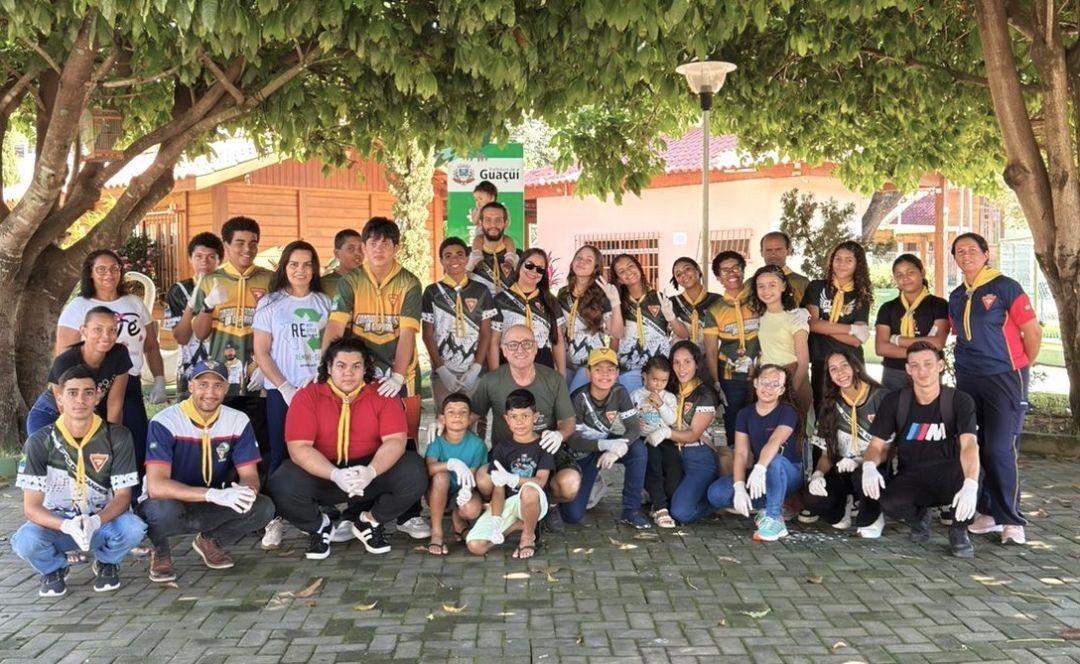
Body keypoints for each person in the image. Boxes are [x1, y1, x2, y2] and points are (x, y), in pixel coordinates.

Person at [269, 337, 427, 559]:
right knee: (281, 482)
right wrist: (335, 474)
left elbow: (395, 441)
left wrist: (370, 471)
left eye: (356, 366)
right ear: (328, 368)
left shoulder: (382, 392)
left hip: (369, 472)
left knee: (415, 470)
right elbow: (299, 448)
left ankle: (369, 521)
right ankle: (318, 527)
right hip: (324, 473)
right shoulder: (308, 394)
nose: (348, 373)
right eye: (341, 366)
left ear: (366, 368)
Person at [322, 217, 427, 538]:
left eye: (385, 243)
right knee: (363, 445)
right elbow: (336, 327)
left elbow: (408, 333)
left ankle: (408, 514)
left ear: (397, 247)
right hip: (360, 378)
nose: (379, 248)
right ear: (364, 247)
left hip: (402, 376)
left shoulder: (409, 281)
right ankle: (353, 515)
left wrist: (397, 375)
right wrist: (327, 369)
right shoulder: (350, 281)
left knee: (406, 443)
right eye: (372, 243)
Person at [11, 365, 146, 597]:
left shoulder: (118, 436)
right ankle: (54, 568)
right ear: (60, 399)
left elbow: (123, 497)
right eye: (72, 393)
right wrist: (65, 525)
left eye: (88, 392)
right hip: (58, 523)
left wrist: (96, 521)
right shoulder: (39, 442)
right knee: (25, 541)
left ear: (98, 397)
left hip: (101, 522)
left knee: (134, 528)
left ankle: (106, 561)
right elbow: (31, 508)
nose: (80, 399)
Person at [139, 360, 274, 582]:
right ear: (190, 386)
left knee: (262, 507)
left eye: (217, 385)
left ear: (226, 388)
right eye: (203, 384)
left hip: (213, 501)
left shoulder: (238, 420)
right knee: (161, 511)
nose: (210, 392)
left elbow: (249, 474)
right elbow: (157, 486)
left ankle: (210, 540)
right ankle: (161, 551)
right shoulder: (165, 421)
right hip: (171, 501)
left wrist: (245, 492)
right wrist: (213, 494)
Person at [948, 232, 1040, 545]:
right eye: (959, 251)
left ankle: (1011, 519)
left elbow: (1032, 331)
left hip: (1004, 377)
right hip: (968, 378)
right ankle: (987, 513)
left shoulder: (1005, 286)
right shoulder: (958, 294)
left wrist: (1021, 364)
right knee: (976, 443)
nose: (966, 255)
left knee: (1000, 448)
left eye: (972, 249)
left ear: (986, 254)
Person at [862, 341, 981, 557]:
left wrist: (971, 484)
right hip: (912, 474)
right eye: (915, 365)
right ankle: (919, 515)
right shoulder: (895, 401)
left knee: (976, 476)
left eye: (928, 363)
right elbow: (876, 445)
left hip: (950, 473)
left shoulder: (959, 401)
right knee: (889, 503)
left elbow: (969, 444)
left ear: (940, 366)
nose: (922, 371)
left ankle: (959, 530)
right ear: (907, 369)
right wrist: (869, 465)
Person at [56, 249, 167, 471]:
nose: (109, 274)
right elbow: (63, 356)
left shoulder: (134, 303)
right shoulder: (79, 307)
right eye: (101, 269)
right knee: (96, 443)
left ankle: (135, 496)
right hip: (91, 385)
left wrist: (159, 379)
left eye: (114, 268)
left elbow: (151, 346)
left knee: (135, 440)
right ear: (90, 273)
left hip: (129, 381)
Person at [470, 324, 579, 529]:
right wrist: (442, 423)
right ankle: (506, 505)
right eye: (512, 345)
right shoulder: (491, 381)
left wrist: (559, 434)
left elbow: (568, 421)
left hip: (546, 452)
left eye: (527, 344)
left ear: (536, 348)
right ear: (503, 349)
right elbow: (472, 415)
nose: (520, 350)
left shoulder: (553, 379)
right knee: (483, 480)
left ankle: (549, 504)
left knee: (570, 483)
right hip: (506, 453)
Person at [191, 216, 274, 454]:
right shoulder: (210, 280)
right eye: (239, 243)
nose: (247, 249)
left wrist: (265, 367)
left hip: (259, 377)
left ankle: (256, 488)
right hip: (221, 378)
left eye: (253, 243)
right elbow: (199, 333)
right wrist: (208, 305)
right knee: (222, 441)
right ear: (226, 245)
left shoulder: (269, 280)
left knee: (259, 440)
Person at [253, 240, 332, 476]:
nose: (301, 270)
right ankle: (278, 507)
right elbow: (261, 352)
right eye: (294, 264)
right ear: (284, 267)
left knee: (319, 449)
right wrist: (285, 387)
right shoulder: (269, 303)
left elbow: (334, 350)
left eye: (307, 265)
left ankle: (320, 503)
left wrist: (322, 379)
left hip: (318, 388)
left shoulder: (325, 303)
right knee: (280, 450)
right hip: (282, 390)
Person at [705, 365, 804, 541]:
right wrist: (739, 486)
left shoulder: (788, 412)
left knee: (775, 461)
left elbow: (774, 441)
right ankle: (767, 507)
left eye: (775, 384)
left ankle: (775, 519)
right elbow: (741, 452)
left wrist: (759, 468)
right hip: (762, 473)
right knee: (717, 493)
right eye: (765, 382)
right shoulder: (745, 414)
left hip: (787, 473)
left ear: (781, 390)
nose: (768, 388)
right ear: (756, 383)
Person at [559, 348, 650, 528]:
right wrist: (607, 445)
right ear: (588, 372)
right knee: (572, 515)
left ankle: (631, 510)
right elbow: (573, 440)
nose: (605, 374)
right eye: (598, 369)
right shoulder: (578, 398)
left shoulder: (619, 392)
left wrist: (618, 449)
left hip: (604, 445)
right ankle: (594, 483)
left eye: (610, 369)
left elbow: (633, 428)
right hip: (582, 455)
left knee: (638, 449)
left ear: (617, 373)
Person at [802, 350, 888, 537]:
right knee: (811, 497)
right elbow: (825, 455)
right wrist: (817, 474)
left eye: (844, 366)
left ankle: (872, 517)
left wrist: (861, 462)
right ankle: (842, 509)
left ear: (856, 366)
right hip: (840, 470)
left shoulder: (881, 397)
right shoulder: (830, 403)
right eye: (833, 369)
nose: (840, 373)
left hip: (874, 468)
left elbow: (889, 449)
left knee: (862, 474)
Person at [466, 389, 554, 559]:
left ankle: (527, 536)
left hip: (533, 501)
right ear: (506, 419)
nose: (519, 422)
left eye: (525, 416)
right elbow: (498, 490)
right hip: (508, 502)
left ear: (535, 417)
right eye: (514, 417)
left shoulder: (543, 444)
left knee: (529, 489)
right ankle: (513, 527)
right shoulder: (502, 447)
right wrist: (496, 521)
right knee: (475, 546)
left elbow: (541, 482)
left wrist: (513, 479)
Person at [27, 306, 131, 435]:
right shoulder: (64, 362)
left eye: (112, 330)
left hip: (91, 412)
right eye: (98, 329)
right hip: (53, 413)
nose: (106, 336)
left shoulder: (120, 354)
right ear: (84, 331)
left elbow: (115, 404)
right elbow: (66, 410)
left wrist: (113, 439)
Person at [650, 341, 720, 526]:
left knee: (681, 512)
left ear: (697, 363)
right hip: (674, 455)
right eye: (676, 362)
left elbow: (694, 434)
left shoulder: (704, 393)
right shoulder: (669, 390)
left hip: (699, 456)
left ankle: (716, 500)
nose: (682, 368)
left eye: (687, 362)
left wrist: (666, 433)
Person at [421, 237, 495, 410]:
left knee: (473, 421)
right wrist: (441, 370)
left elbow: (486, 333)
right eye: (448, 255)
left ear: (467, 258)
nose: (454, 259)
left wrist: (476, 367)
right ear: (441, 261)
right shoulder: (432, 292)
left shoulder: (481, 290)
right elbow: (427, 335)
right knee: (445, 421)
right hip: (443, 372)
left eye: (459, 254)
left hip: (474, 371)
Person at [803, 241, 873, 415]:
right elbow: (811, 324)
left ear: (858, 264)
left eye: (849, 260)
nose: (842, 264)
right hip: (823, 362)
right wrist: (850, 328)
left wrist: (824, 326)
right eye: (838, 259)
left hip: (852, 363)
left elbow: (857, 341)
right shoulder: (817, 287)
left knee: (853, 410)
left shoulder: (861, 295)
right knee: (824, 411)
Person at [706, 251, 761, 447]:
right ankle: (737, 473)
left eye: (736, 268)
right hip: (730, 379)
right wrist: (716, 383)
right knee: (735, 427)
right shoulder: (714, 310)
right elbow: (711, 351)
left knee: (760, 424)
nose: (731, 273)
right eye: (725, 270)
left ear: (743, 271)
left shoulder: (758, 299)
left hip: (761, 375)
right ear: (718, 277)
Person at [873, 254, 949, 390]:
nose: (905, 278)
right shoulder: (887, 308)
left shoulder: (939, 304)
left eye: (910, 272)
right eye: (899, 275)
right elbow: (881, 348)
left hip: (927, 370)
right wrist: (924, 347)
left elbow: (938, 343)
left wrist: (897, 340)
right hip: (894, 372)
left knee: (928, 410)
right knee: (894, 410)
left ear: (922, 272)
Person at [423, 393, 486, 555]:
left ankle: (458, 519)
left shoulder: (477, 444)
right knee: (441, 476)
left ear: (471, 417)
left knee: (471, 510)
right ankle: (437, 534)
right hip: (437, 491)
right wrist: (450, 464)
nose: (457, 415)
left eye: (463, 412)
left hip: (462, 490)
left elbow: (471, 476)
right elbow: (429, 469)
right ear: (442, 418)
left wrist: (467, 491)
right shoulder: (436, 440)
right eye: (451, 412)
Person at [164, 232, 223, 399]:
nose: (204, 261)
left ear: (220, 260)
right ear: (190, 258)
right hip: (189, 368)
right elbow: (181, 337)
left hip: (223, 367)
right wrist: (191, 305)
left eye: (211, 257)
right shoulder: (178, 291)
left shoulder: (227, 288)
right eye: (199, 256)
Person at [557, 245, 624, 393]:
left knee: (575, 401)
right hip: (565, 363)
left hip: (590, 365)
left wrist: (615, 303)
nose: (582, 262)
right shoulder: (563, 293)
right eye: (579, 258)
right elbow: (558, 332)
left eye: (588, 260)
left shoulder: (602, 294)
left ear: (595, 268)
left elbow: (617, 335)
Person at [490, 247, 566, 375]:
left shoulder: (550, 301)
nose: (534, 271)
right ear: (520, 265)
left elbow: (558, 341)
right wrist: (495, 377)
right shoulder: (501, 300)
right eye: (529, 265)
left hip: (543, 366)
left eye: (540, 269)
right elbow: (494, 342)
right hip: (510, 365)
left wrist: (562, 376)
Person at [749, 265, 811, 416]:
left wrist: (789, 394)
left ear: (783, 286)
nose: (766, 290)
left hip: (792, 377)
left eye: (772, 285)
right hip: (765, 380)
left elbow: (803, 363)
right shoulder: (759, 318)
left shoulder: (796, 318)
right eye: (761, 286)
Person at [611, 253, 675, 394]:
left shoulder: (659, 298)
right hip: (629, 370)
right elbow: (614, 339)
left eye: (630, 266)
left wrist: (671, 317)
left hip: (659, 370)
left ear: (639, 268)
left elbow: (681, 333)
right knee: (632, 412)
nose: (628, 272)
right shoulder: (617, 302)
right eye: (621, 271)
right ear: (619, 280)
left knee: (655, 413)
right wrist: (611, 366)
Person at [631, 355, 681, 528]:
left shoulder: (668, 398)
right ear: (645, 376)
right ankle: (660, 508)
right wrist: (634, 424)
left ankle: (659, 500)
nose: (658, 385)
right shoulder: (636, 395)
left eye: (663, 381)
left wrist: (660, 404)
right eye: (654, 379)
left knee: (672, 466)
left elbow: (671, 419)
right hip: (644, 439)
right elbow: (625, 420)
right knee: (653, 466)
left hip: (664, 437)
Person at [668, 257, 720, 353]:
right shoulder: (671, 303)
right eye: (678, 274)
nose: (683, 275)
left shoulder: (716, 300)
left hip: (710, 358)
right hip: (680, 361)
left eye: (687, 269)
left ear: (698, 270)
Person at [468, 201, 520, 295]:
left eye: (498, 220)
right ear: (480, 223)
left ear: (505, 222)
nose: (493, 224)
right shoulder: (467, 255)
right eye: (488, 219)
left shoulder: (519, 256)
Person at [754, 231, 811, 304]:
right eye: (768, 250)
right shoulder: (750, 284)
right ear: (761, 252)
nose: (773, 254)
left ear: (788, 251)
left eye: (778, 249)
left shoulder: (802, 283)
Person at [467, 181, 517, 257]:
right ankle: (477, 257)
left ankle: (511, 258)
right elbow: (474, 221)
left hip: (498, 236)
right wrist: (480, 210)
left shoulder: (500, 209)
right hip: (481, 235)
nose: (478, 202)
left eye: (481, 199)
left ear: (492, 198)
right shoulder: (476, 210)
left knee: (508, 240)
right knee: (477, 241)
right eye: (476, 200)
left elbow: (507, 222)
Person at [321, 229, 364, 301]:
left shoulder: (372, 282)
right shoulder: (324, 284)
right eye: (350, 249)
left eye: (360, 248)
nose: (358, 253)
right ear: (337, 253)